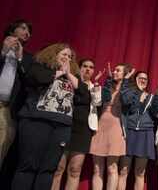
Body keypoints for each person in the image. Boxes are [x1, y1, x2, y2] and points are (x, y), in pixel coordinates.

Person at [11, 43, 82, 190]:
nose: (67, 58)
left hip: (62, 126)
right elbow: (34, 79)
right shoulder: (40, 67)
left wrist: (68, 74)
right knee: (28, 166)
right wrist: (58, 73)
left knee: (48, 169)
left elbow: (84, 96)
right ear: (53, 54)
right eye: (63, 54)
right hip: (36, 121)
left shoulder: (72, 76)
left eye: (70, 56)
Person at [51, 59, 103, 190]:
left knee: (75, 169)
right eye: (85, 66)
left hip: (83, 131)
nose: (88, 69)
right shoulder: (68, 81)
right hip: (65, 126)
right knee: (58, 168)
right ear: (79, 68)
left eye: (91, 67)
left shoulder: (95, 88)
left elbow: (98, 106)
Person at [89, 63, 132, 190]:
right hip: (101, 127)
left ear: (125, 74)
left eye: (118, 70)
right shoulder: (107, 87)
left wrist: (125, 83)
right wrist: (106, 81)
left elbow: (126, 100)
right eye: (114, 70)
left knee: (112, 168)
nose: (114, 72)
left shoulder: (128, 90)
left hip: (116, 128)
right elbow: (99, 101)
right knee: (97, 168)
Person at [118, 71, 158, 190]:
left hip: (145, 134)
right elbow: (128, 105)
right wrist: (138, 96)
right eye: (140, 78)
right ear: (135, 80)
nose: (143, 80)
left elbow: (156, 113)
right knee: (124, 170)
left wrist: (156, 95)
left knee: (140, 173)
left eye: (145, 79)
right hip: (130, 132)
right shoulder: (130, 94)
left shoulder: (151, 96)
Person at [0, 19, 33, 168]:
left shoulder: (28, 58)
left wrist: (20, 59)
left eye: (29, 32)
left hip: (8, 109)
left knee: (2, 148)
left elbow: (29, 84)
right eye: (23, 28)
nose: (27, 33)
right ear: (13, 29)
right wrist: (3, 53)